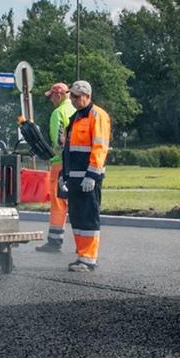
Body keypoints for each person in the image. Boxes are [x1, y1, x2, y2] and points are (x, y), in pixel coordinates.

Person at [60, 79, 111, 272]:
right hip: (74, 178)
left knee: (88, 217)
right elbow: (68, 149)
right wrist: (64, 176)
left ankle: (89, 258)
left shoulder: (97, 116)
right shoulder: (76, 117)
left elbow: (100, 148)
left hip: (89, 179)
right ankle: (82, 255)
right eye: (71, 96)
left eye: (76, 96)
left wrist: (92, 175)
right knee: (77, 217)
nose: (73, 99)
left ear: (87, 96)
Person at [36, 82, 77, 253]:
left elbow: (56, 142)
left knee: (58, 202)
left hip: (60, 164)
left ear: (58, 95)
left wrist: (49, 156)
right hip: (77, 163)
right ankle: (81, 243)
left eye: (51, 96)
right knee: (74, 202)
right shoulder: (76, 111)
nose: (51, 100)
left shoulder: (57, 113)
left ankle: (54, 240)